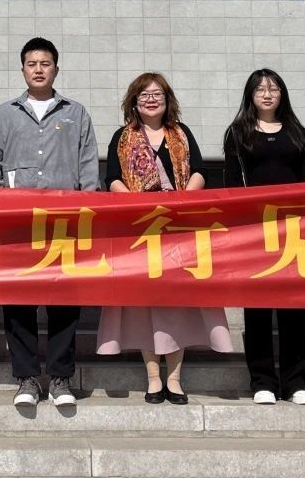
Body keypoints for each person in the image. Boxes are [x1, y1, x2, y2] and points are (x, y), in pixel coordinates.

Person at [97, 72, 232, 404]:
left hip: (179, 229)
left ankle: (174, 377)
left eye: (157, 93)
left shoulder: (181, 134)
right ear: (134, 102)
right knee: (144, 304)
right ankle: (153, 377)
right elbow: (112, 178)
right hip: (140, 229)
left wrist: (181, 201)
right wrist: (137, 203)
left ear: (167, 99)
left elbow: (199, 171)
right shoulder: (122, 137)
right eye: (144, 94)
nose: (151, 99)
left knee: (178, 302)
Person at [0, 37, 99, 408]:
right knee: (19, 301)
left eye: (45, 63)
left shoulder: (76, 113)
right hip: (17, 226)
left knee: (65, 301)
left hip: (64, 224)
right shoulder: (4, 114)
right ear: (22, 70)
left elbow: (88, 165)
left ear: (56, 69)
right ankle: (27, 379)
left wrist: (88, 210)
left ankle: (61, 378)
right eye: (31, 63)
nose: (38, 69)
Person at [222, 68, 305, 406]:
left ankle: (296, 382)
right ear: (250, 95)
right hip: (255, 231)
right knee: (257, 309)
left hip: (293, 231)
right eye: (260, 89)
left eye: (273, 88)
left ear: (282, 94)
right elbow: (232, 184)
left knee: (295, 309)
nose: (267, 94)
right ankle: (262, 380)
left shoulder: (297, 132)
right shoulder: (238, 133)